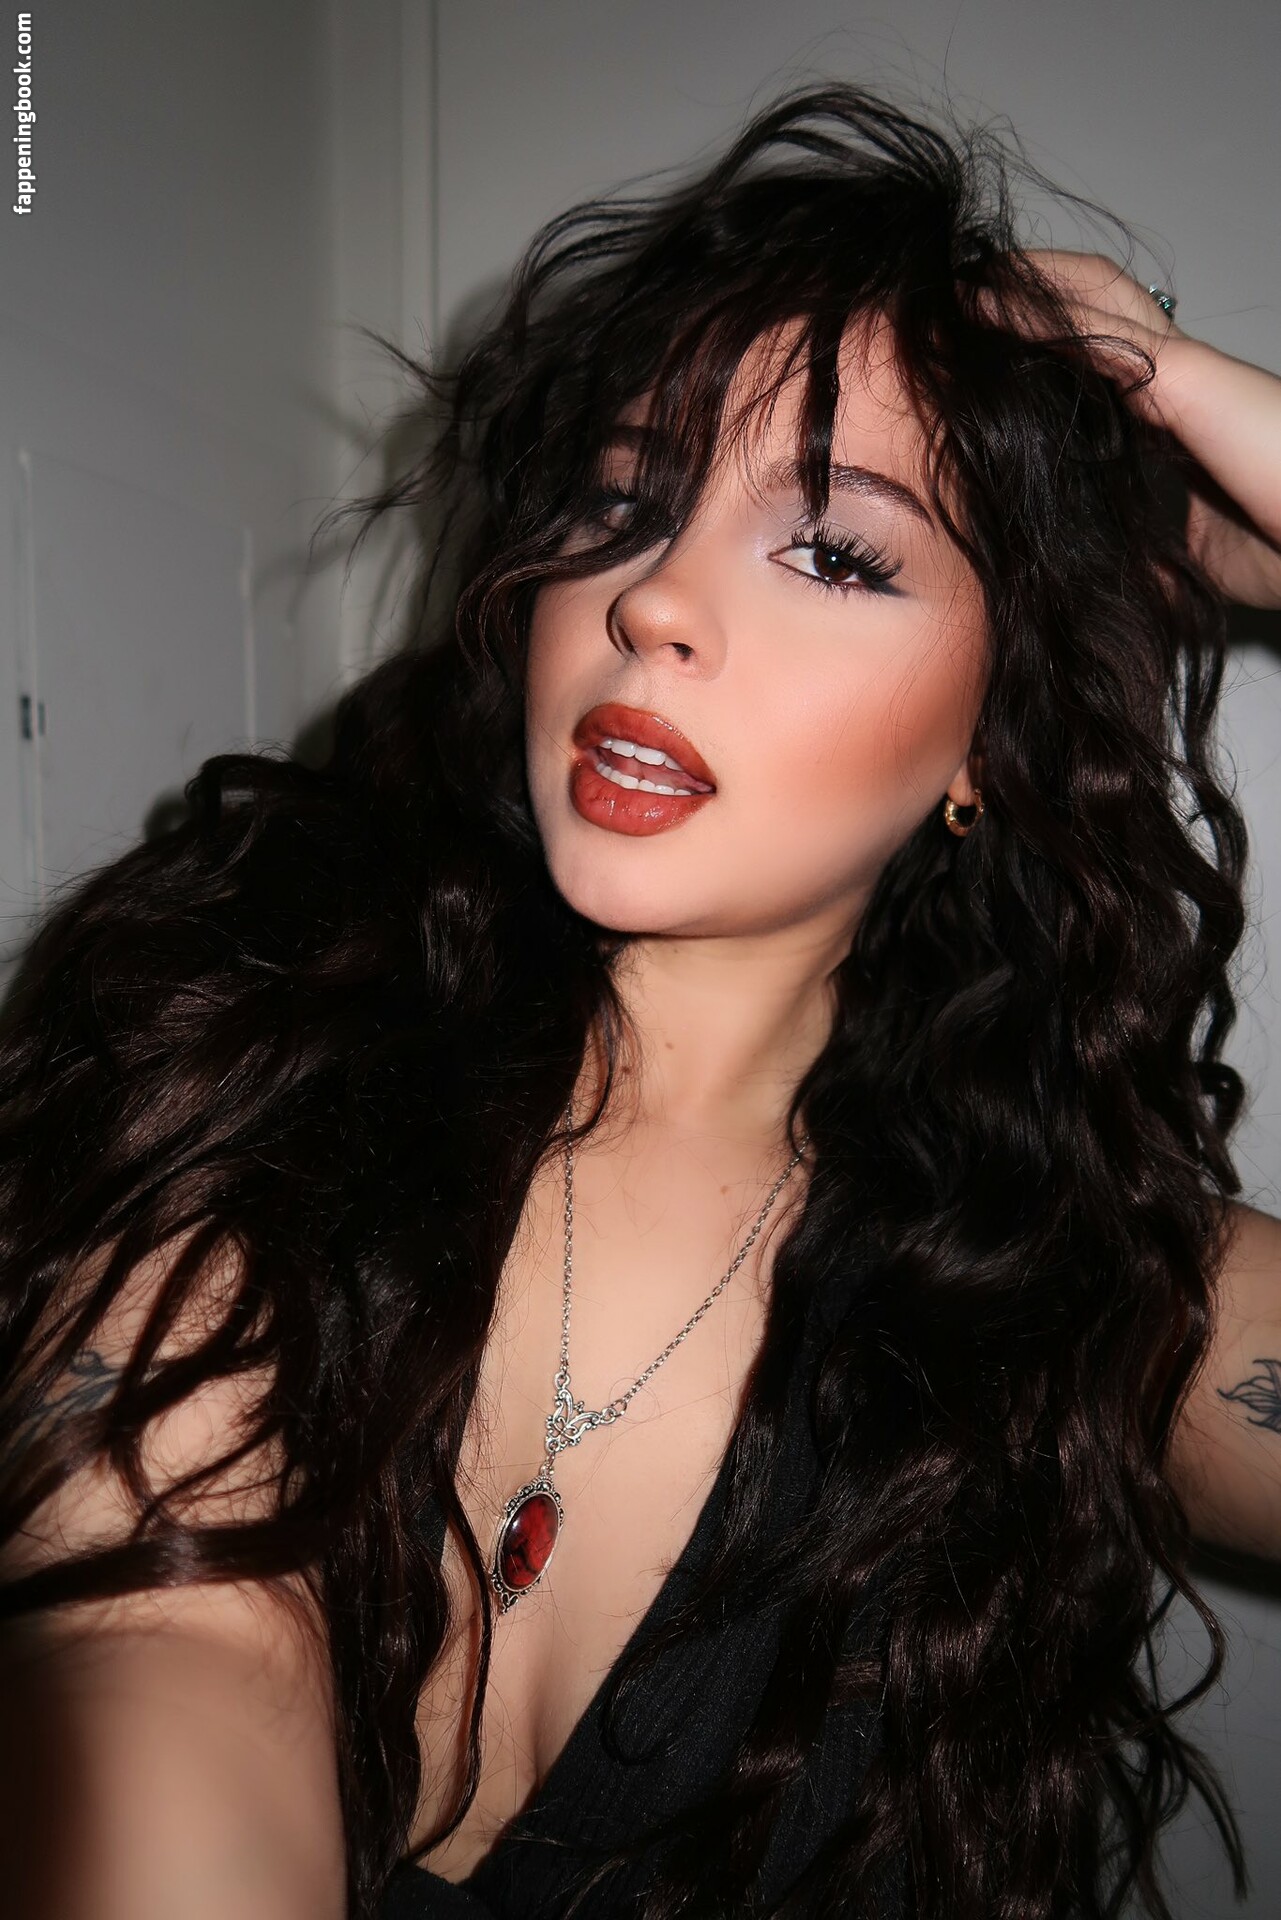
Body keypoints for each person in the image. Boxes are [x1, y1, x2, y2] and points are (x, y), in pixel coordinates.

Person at [2, 80, 1281, 1920]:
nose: (653, 601)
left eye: (831, 550)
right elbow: (168, 1680)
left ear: (988, 742)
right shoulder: (256, 1061)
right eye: (622, 502)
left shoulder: (1078, 1272)